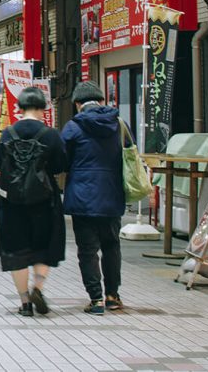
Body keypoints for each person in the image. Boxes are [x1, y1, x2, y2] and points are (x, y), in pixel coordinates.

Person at [0, 87, 67, 317]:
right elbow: (60, 165)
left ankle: (25, 302)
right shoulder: (51, 134)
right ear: (43, 109)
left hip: (13, 203)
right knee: (42, 248)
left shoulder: (8, 133)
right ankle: (38, 288)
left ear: (19, 108)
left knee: (17, 251)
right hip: (44, 201)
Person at [61, 81, 127, 315]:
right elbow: (129, 156)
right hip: (111, 194)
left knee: (87, 250)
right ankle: (113, 296)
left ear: (78, 104)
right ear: (101, 101)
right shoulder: (119, 125)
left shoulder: (72, 127)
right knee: (111, 246)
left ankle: (96, 299)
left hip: (82, 198)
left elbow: (61, 161)